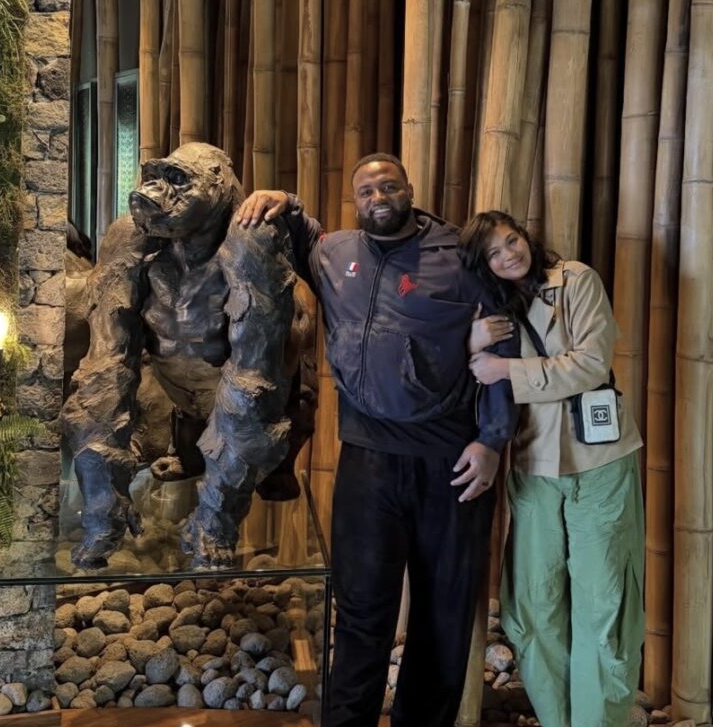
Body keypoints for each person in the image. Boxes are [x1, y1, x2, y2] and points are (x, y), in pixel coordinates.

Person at [236, 154, 519, 727]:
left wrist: (492, 441)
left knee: (442, 616)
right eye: (366, 191)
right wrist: (283, 199)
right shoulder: (336, 253)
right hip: (367, 461)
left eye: (388, 186)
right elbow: (301, 232)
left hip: (451, 461)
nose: (378, 197)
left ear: (409, 189)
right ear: (355, 200)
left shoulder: (459, 255)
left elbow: (502, 347)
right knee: (361, 610)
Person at [459, 210, 645, 727]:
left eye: (511, 241)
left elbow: (591, 362)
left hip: (599, 460)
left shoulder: (576, 281)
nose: (508, 255)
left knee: (604, 602)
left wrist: (506, 369)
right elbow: (455, 370)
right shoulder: (486, 307)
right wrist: (470, 344)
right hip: (532, 461)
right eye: (493, 253)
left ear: (526, 237)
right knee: (533, 606)